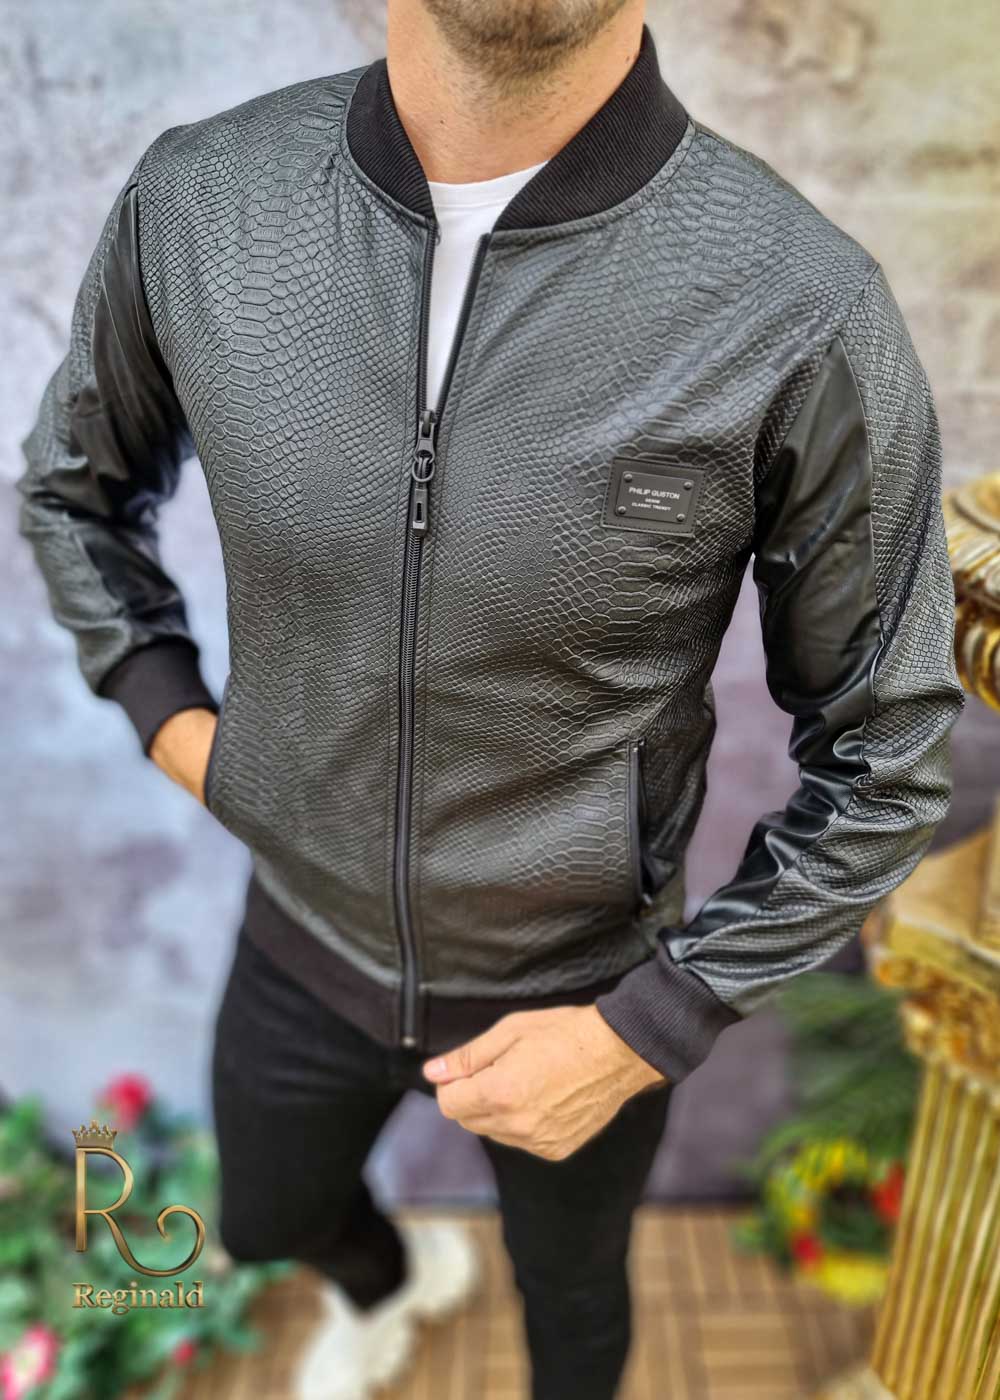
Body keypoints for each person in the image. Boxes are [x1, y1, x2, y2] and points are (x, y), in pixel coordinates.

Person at [16, 1, 965, 1396]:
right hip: (301, 935)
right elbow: (72, 494)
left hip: (583, 981)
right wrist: (183, 727)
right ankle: (396, 1287)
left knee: (575, 1315)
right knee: (268, 1222)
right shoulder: (203, 204)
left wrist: (653, 1024)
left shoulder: (799, 305)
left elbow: (887, 750)